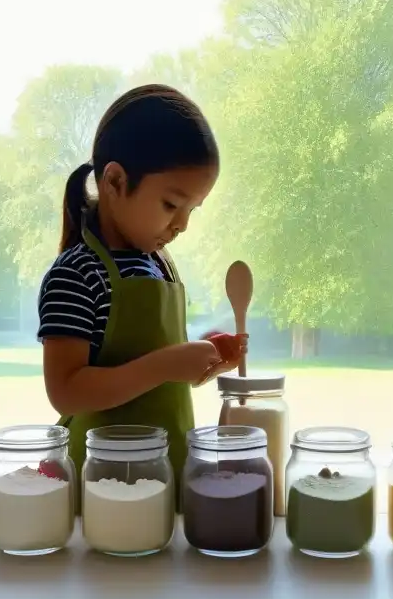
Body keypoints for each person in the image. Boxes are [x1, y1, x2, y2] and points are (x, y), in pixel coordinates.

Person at [37, 84, 246, 507]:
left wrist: (201, 356)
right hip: (100, 490)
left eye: (193, 210)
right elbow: (66, 391)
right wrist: (169, 363)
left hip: (165, 477)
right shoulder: (76, 274)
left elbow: (155, 367)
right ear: (115, 181)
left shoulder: (159, 264)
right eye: (172, 205)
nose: (182, 225)